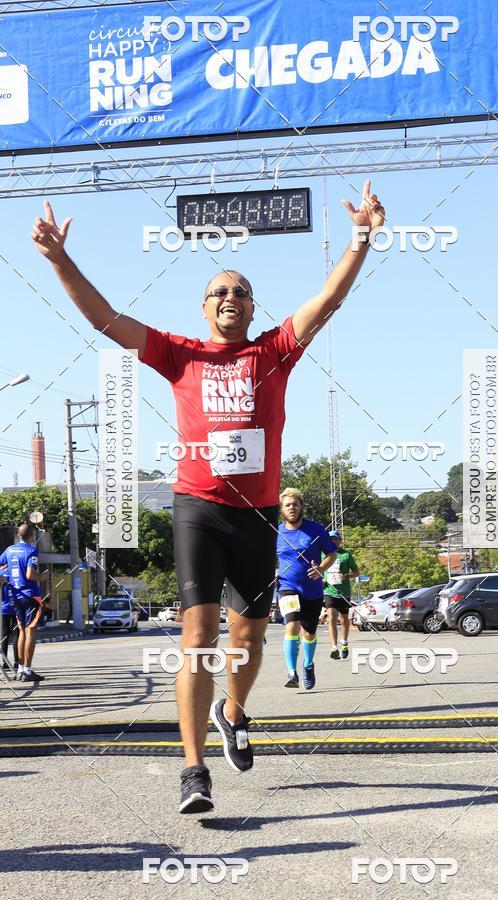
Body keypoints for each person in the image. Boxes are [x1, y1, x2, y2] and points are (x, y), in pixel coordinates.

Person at [31, 181, 385, 814]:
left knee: (248, 640)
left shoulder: (274, 350)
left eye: (240, 291)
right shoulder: (180, 355)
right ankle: (193, 769)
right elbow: (106, 319)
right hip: (196, 505)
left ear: (252, 306)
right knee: (198, 632)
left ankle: (234, 709)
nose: (229, 297)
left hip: (257, 515)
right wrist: (60, 258)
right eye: (218, 291)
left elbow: (328, 299)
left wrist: (361, 236)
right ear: (203, 307)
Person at [276, 488, 337, 689]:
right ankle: (291, 673)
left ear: (302, 507)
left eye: (295, 504)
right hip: (287, 587)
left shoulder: (316, 530)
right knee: (292, 625)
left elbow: (331, 554)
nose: (292, 508)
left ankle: (308, 665)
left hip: (312, 590)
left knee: (308, 632)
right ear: (282, 509)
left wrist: (321, 568)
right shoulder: (276, 532)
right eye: (287, 505)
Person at [0, 523, 47, 682]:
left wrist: (3, 579)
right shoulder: (31, 550)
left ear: (17, 536)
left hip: (16, 596)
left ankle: (20, 669)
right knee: (30, 632)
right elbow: (30, 574)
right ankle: (27, 670)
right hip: (31, 596)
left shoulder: (9, 550)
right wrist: (42, 577)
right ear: (31, 537)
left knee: (21, 631)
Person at [323, 530, 360, 659]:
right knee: (331, 617)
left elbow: (356, 572)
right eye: (330, 539)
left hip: (344, 592)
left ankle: (344, 642)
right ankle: (334, 647)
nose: (333, 541)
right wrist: (321, 577)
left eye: (335, 539)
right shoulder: (323, 554)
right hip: (328, 591)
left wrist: (346, 575)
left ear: (340, 540)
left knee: (344, 619)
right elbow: (319, 569)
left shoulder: (346, 555)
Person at [0, 581, 19, 674]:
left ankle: (5, 662)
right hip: (15, 608)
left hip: (4, 609)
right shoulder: (13, 571)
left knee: (4, 635)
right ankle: (17, 662)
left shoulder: (1, 574)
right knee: (16, 635)